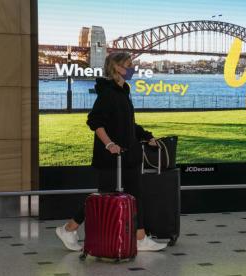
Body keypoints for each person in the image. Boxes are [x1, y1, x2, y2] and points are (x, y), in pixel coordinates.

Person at [56, 52, 167, 252]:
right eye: (129, 64)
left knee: (136, 195)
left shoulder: (123, 90)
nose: (132, 67)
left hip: (129, 154)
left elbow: (128, 124)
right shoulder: (108, 93)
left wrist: (147, 136)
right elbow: (95, 121)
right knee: (104, 196)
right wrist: (109, 145)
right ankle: (69, 228)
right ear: (116, 67)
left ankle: (140, 238)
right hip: (111, 157)